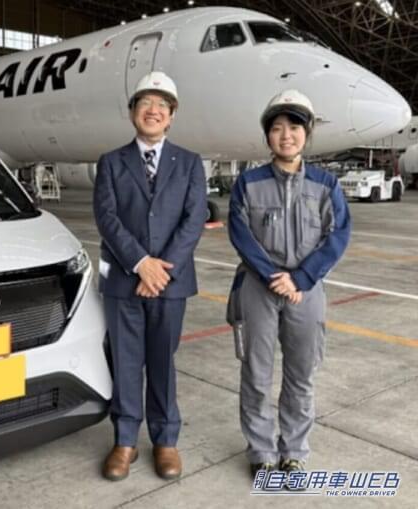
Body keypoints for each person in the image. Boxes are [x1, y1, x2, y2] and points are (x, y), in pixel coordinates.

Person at [227, 89, 351, 482]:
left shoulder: (326, 184)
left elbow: (338, 234)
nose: (286, 135)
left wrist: (301, 278)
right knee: (256, 374)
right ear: (267, 136)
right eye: (277, 128)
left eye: (294, 127)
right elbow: (240, 233)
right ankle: (261, 452)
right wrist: (272, 277)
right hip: (258, 286)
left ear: (307, 133)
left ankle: (294, 451)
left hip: (305, 290)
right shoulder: (248, 183)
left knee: (301, 374)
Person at [93, 71, 208, 482]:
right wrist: (141, 263)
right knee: (125, 362)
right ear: (132, 113)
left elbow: (194, 220)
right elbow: (106, 218)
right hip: (124, 280)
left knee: (162, 361)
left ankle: (165, 440)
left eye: (162, 105)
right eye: (145, 103)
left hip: (170, 282)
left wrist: (160, 269)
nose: (153, 110)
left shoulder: (190, 163)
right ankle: (125, 440)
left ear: (172, 115)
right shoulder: (111, 162)